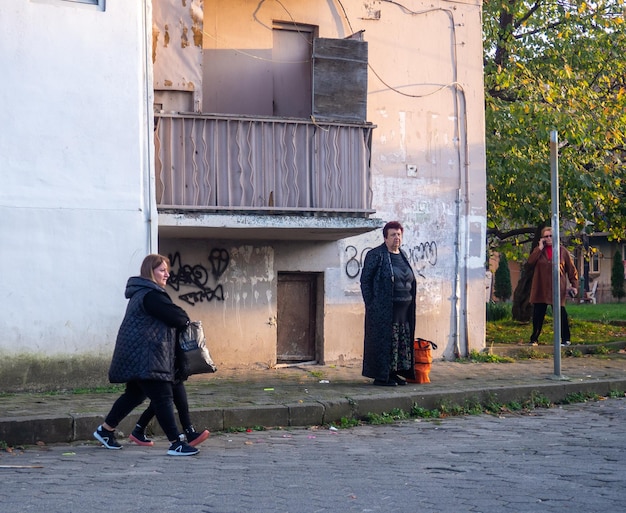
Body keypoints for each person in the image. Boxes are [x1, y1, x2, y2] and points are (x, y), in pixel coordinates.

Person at [93, 254, 199, 456]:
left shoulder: (142, 293)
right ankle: (176, 443)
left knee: (134, 394)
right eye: (162, 270)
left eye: (167, 270)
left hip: (138, 354)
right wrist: (183, 318)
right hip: (147, 356)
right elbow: (178, 317)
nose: (167, 274)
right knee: (163, 396)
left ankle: (105, 431)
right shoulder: (151, 295)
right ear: (150, 271)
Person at [360, 221, 417, 386]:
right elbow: (365, 281)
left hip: (403, 312)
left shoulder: (403, 255)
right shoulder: (376, 255)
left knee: (399, 344)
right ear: (385, 238)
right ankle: (381, 376)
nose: (396, 238)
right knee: (386, 343)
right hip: (384, 311)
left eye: (399, 234)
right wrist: (371, 305)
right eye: (393, 234)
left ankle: (393, 373)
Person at [528, 227, 578, 347]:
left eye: (551, 236)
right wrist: (539, 248)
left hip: (557, 288)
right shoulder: (539, 251)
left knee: (561, 314)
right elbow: (530, 262)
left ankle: (565, 339)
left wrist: (574, 285)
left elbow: (571, 270)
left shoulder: (562, 251)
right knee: (538, 314)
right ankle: (534, 339)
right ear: (542, 238)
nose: (549, 238)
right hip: (541, 287)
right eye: (546, 236)